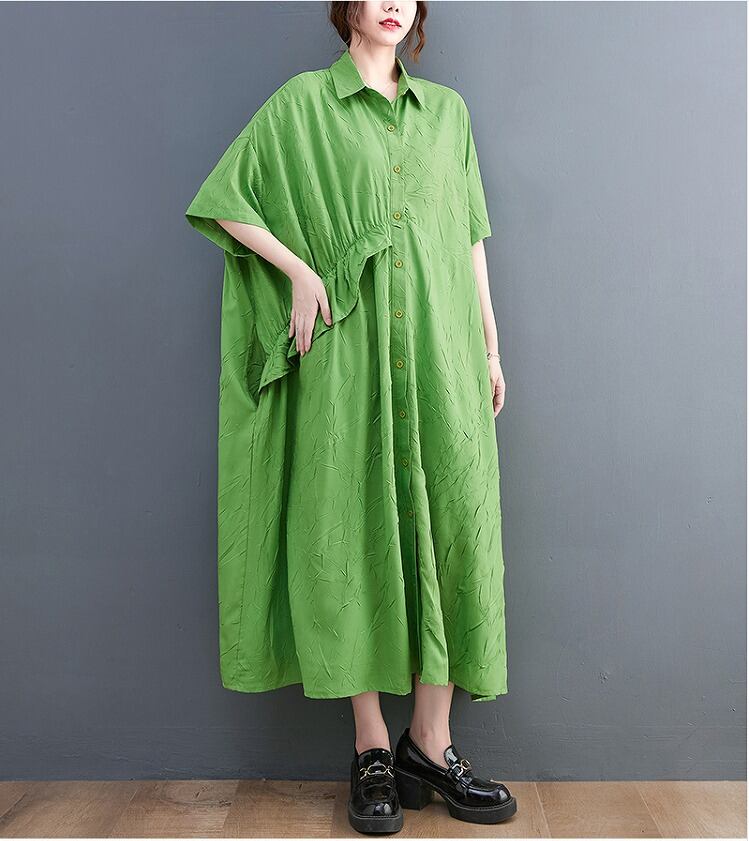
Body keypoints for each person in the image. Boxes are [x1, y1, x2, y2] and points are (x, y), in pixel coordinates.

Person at [185, 0, 516, 833]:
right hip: (349, 361)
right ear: (348, 8)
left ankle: (429, 744)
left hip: (442, 355)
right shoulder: (304, 104)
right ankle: (371, 746)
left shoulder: (448, 114)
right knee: (349, 531)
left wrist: (488, 346)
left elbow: (469, 236)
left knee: (453, 527)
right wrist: (299, 272)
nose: (392, 3)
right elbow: (225, 199)